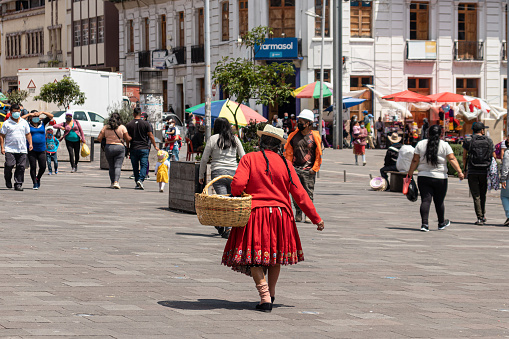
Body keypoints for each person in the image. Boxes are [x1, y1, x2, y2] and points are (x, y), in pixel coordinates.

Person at [222, 124, 324, 312]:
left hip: (255, 214)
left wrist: (239, 193)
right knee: (274, 257)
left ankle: (265, 297)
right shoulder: (286, 163)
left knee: (254, 258)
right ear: (279, 146)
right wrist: (316, 218)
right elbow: (300, 193)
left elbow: (237, 185)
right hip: (281, 216)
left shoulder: (249, 158)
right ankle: (272, 293)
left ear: (261, 142)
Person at [407, 125, 464, 232]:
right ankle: (441, 223)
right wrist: (459, 172)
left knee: (425, 200)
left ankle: (424, 224)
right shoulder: (444, 145)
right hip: (440, 177)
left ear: (428, 133)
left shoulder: (421, 144)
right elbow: (452, 158)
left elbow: (415, 161)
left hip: (423, 177)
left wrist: (409, 174)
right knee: (439, 201)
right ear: (441, 134)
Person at [199, 117, 246, 238]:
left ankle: (224, 226)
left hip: (217, 173)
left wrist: (201, 175)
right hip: (233, 174)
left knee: (222, 200)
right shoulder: (235, 139)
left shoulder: (213, 139)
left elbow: (204, 159)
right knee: (231, 201)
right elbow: (243, 157)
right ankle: (226, 227)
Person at [285, 109, 322, 223]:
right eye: (298, 121)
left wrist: (314, 169)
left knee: (308, 193)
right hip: (295, 169)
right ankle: (298, 212)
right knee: (295, 193)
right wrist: (289, 167)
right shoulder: (293, 136)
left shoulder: (315, 136)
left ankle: (308, 214)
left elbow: (318, 154)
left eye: (301, 121)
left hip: (308, 170)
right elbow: (288, 153)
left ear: (308, 123)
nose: (298, 123)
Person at [462, 122, 495, 225]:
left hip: (472, 170)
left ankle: (480, 217)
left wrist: (465, 168)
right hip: (485, 170)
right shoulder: (489, 140)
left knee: (476, 195)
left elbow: (464, 156)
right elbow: (493, 154)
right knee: (483, 194)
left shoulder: (468, 140)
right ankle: (483, 215)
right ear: (482, 131)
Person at [0, 104, 33, 191]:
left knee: (21, 166)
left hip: (22, 148)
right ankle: (7, 179)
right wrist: (2, 147)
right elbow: (2, 135)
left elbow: (28, 134)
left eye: (18, 112)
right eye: (14, 111)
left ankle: (18, 183)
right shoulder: (7, 123)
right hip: (10, 148)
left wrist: (30, 144)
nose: (16, 113)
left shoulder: (24, 122)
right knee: (9, 165)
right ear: (11, 113)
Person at [126, 108, 160, 190]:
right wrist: (155, 146)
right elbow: (151, 136)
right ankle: (141, 180)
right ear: (140, 114)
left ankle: (137, 181)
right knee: (144, 165)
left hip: (133, 148)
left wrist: (128, 147)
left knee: (135, 166)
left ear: (133, 114)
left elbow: (127, 138)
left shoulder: (129, 124)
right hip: (144, 148)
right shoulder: (146, 124)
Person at [97, 112, 132, 189]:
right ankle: (116, 182)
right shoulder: (122, 127)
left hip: (108, 147)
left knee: (111, 166)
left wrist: (105, 141)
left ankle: (112, 182)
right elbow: (127, 139)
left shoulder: (105, 127)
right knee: (118, 166)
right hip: (119, 148)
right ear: (119, 119)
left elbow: (99, 138)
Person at [23, 110, 54, 189]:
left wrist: (43, 112)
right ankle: (35, 183)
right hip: (31, 148)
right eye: (34, 116)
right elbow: (20, 119)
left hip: (42, 148)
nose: (35, 118)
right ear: (31, 117)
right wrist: (29, 114)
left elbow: (51, 116)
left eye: (37, 116)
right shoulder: (27, 124)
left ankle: (38, 178)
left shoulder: (42, 123)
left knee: (43, 166)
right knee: (33, 167)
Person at [499, 139, 509, 226]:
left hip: (508, 178)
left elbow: (506, 166)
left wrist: (503, 179)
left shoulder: (507, 152)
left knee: (504, 196)